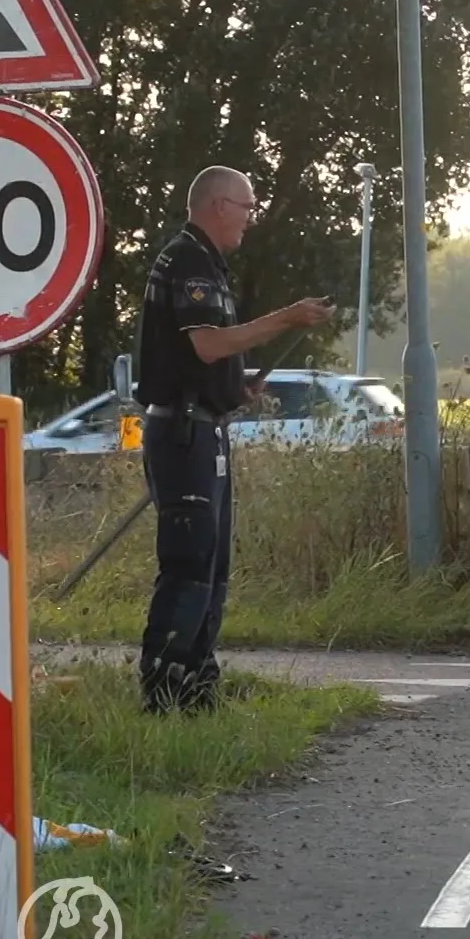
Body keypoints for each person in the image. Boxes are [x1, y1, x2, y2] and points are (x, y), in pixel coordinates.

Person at [132, 165, 332, 714]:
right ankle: (165, 692)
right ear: (219, 204)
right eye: (246, 207)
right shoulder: (189, 261)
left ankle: (198, 689)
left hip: (204, 428)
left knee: (213, 566)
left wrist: (233, 387)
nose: (249, 219)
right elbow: (207, 344)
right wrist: (287, 319)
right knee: (191, 563)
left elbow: (201, 357)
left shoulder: (206, 262)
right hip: (182, 434)